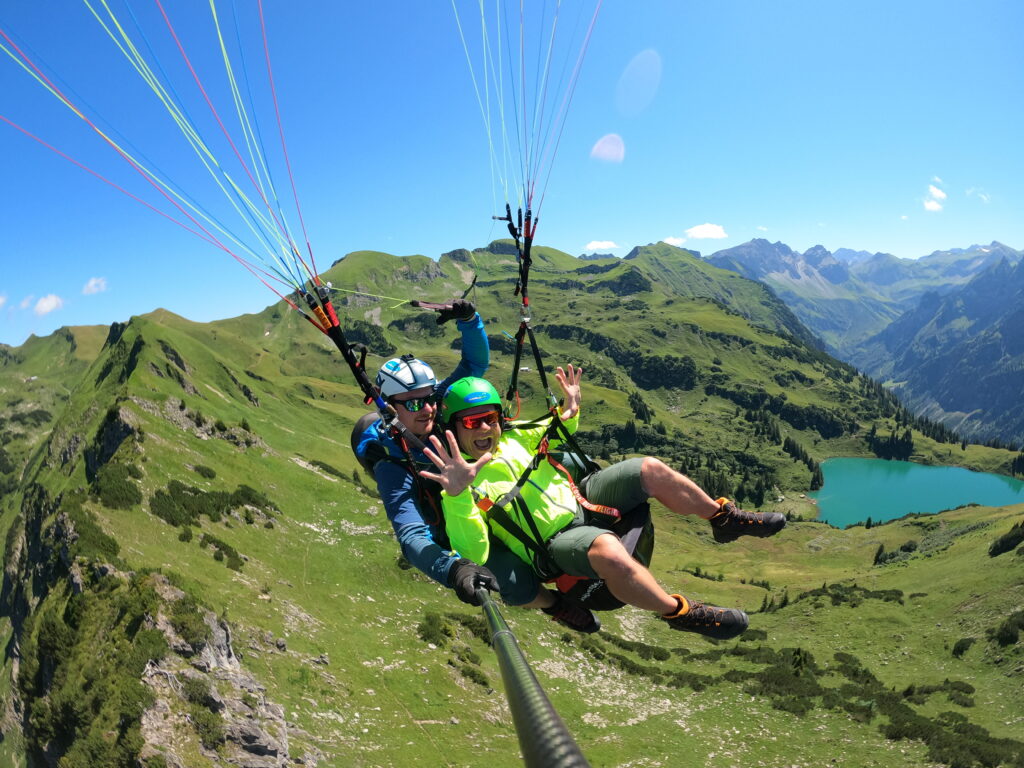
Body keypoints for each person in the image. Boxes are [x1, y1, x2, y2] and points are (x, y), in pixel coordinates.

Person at [420, 366, 787, 639]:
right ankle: (681, 613)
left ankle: (723, 518)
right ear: (452, 428)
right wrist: (455, 494)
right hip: (553, 543)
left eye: (489, 418)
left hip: (583, 500)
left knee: (650, 469)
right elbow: (473, 551)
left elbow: (562, 426)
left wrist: (572, 405)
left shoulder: (515, 438)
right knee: (610, 551)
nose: (484, 429)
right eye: (471, 423)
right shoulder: (458, 483)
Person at [352, 300, 599, 632]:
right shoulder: (392, 464)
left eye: (429, 399)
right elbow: (411, 535)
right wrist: (452, 569)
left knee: (561, 461)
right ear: (389, 408)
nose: (426, 409)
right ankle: (554, 606)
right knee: (510, 578)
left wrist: (469, 321)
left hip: (489, 485)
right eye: (413, 403)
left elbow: (474, 362)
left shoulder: (430, 402)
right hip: (458, 519)